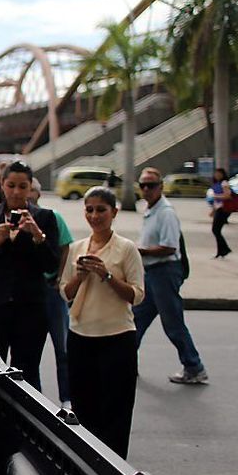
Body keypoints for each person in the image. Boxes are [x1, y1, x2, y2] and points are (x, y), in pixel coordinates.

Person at [60, 187, 144, 457]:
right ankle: (88, 465)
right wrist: (81, 275)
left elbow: (137, 295)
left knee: (116, 410)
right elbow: (65, 292)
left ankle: (114, 468)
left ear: (114, 213)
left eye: (101, 210)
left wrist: (107, 276)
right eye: (89, 209)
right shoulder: (77, 248)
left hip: (117, 336)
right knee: (84, 408)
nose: (94, 216)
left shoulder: (126, 248)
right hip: (81, 336)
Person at [0, 160, 59, 390]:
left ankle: (29, 420)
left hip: (30, 305)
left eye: (22, 186)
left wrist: (38, 236)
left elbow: (52, 264)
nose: (16, 192)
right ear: (2, 185)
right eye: (11, 185)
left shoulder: (45, 217)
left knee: (27, 368)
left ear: (31, 188)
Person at [133, 167, 208, 384]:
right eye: (143, 185)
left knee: (173, 323)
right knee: (136, 319)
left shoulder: (165, 213)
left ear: (161, 187)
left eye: (151, 185)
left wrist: (143, 252)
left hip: (164, 272)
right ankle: (127, 362)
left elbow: (169, 247)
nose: (147, 189)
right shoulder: (151, 210)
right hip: (152, 273)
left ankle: (194, 366)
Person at [30, 178, 74, 408]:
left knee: (62, 347)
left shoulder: (52, 217)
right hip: (31, 292)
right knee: (30, 351)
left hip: (52, 290)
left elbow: (66, 246)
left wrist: (60, 277)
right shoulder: (12, 218)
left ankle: (67, 398)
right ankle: (35, 398)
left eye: (32, 191)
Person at [209, 168, 233, 259]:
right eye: (216, 174)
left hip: (223, 209)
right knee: (216, 230)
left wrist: (216, 196)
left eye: (219, 174)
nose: (217, 175)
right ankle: (222, 251)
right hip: (218, 209)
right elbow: (216, 202)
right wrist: (213, 211)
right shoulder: (216, 184)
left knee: (216, 230)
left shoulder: (224, 183)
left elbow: (227, 195)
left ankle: (224, 250)